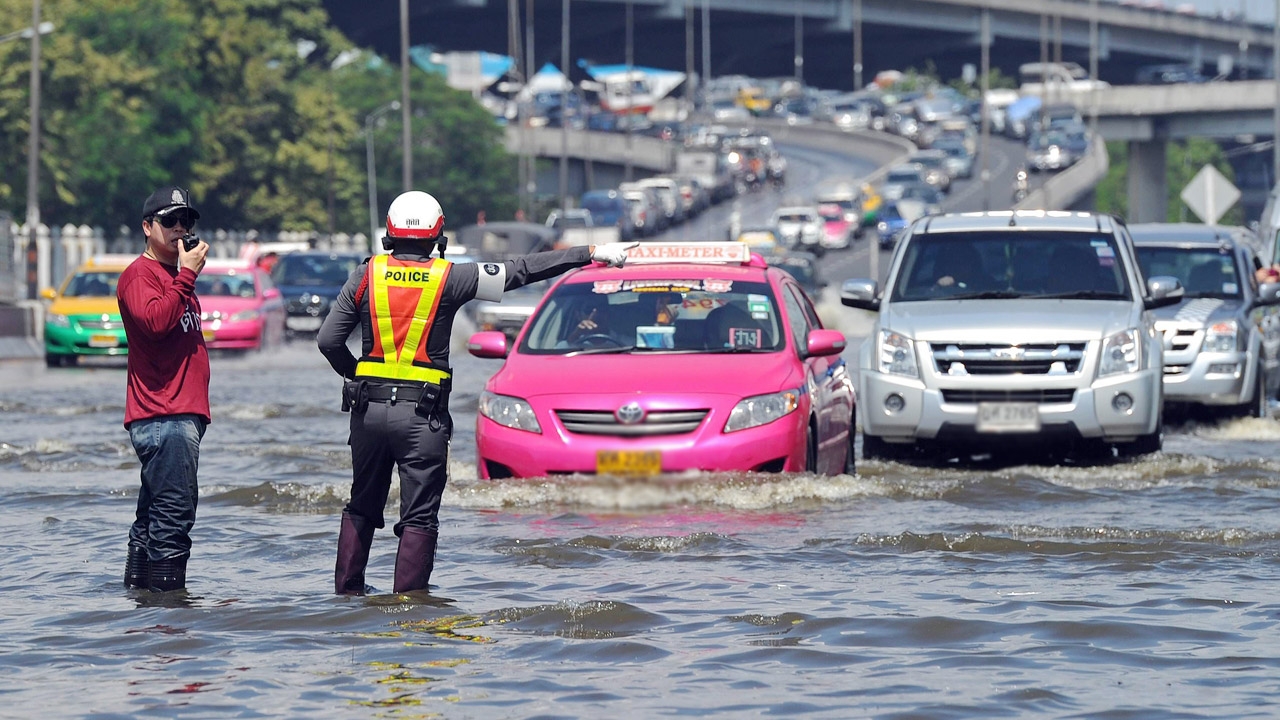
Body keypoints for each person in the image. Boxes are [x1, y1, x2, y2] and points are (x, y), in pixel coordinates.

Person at [317, 190, 637, 595]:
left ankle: (345, 603)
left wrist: (357, 379)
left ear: (389, 234)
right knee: (418, 518)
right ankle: (409, 616)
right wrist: (589, 252)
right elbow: (520, 270)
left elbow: (328, 340)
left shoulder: (365, 275)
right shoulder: (451, 277)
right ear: (438, 235)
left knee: (361, 505)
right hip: (421, 420)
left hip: (368, 414)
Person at [116, 186, 210, 593]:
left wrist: (183, 277)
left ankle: (141, 609)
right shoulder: (140, 276)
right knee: (173, 521)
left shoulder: (175, 279)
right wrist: (187, 275)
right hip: (164, 418)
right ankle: (170, 625)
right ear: (147, 227)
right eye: (168, 221)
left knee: (151, 521)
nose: (178, 230)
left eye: (185, 221)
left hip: (177, 417)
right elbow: (155, 324)